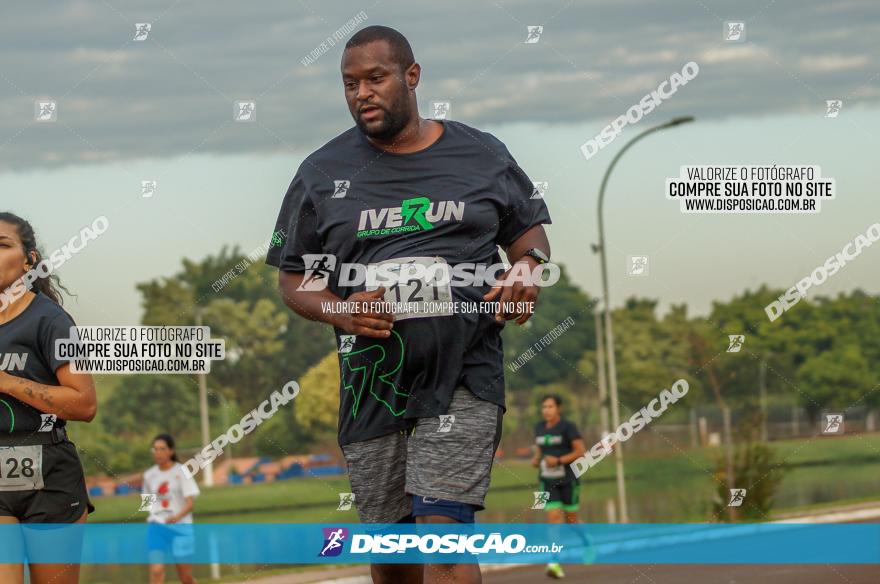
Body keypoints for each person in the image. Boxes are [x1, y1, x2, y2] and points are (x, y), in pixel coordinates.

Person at [266, 25, 552, 584]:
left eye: (375, 78)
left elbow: (530, 235)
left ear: (412, 76)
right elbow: (294, 278)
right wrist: (340, 312)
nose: (362, 94)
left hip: (464, 371)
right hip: (374, 382)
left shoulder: (481, 153)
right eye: (350, 84)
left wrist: (527, 270)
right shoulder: (321, 173)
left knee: (443, 531)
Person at [0, 212, 97, 584]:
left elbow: (84, 404)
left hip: (50, 475)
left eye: (3, 245)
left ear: (29, 259)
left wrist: (7, 382)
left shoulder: (51, 321)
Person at [532, 394, 586, 579]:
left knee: (571, 521)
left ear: (558, 408)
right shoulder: (538, 427)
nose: (546, 410)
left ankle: (586, 540)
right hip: (547, 481)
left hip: (569, 480)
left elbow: (581, 451)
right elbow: (540, 447)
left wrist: (559, 460)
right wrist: (537, 458)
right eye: (544, 407)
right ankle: (554, 562)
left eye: (550, 406)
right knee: (554, 517)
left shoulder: (568, 427)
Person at [143, 433, 200, 584]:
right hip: (157, 527)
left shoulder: (182, 472)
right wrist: (152, 516)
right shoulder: (149, 475)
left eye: (162, 449)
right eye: (155, 449)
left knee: (185, 577)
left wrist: (176, 517)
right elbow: (147, 504)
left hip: (180, 528)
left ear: (171, 451)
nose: (158, 453)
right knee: (156, 571)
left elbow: (190, 504)